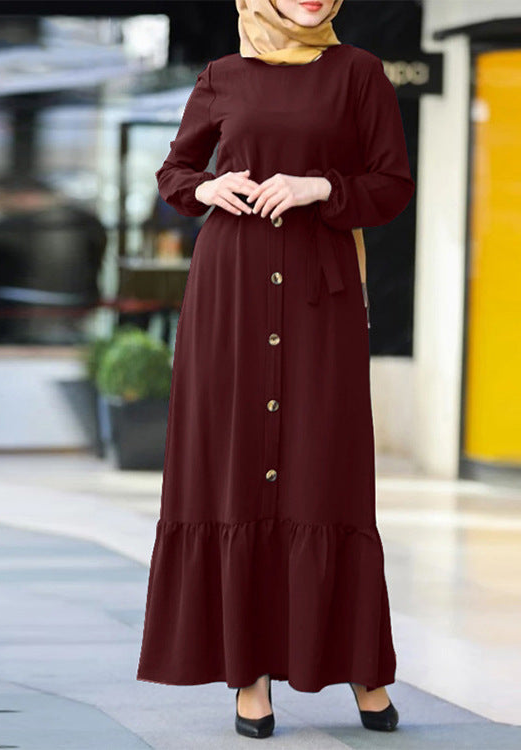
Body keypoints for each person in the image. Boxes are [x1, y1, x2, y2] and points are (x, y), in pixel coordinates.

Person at [135, 0, 415, 739]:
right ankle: (248, 674)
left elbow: (391, 184)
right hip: (231, 286)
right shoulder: (222, 75)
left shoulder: (359, 73)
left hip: (321, 289)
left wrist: (320, 187)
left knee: (327, 471)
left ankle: (361, 666)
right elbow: (174, 171)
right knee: (232, 469)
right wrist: (206, 188)